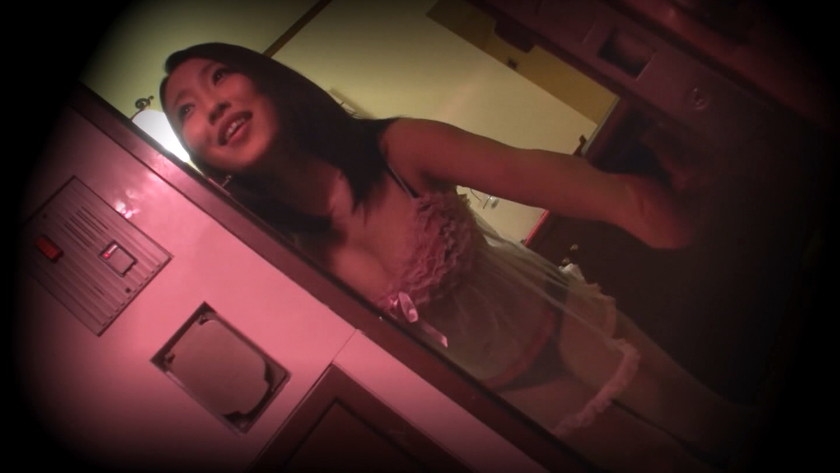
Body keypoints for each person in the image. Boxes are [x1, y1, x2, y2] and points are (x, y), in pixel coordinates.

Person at [159, 42, 757, 473]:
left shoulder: (397, 149)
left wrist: (640, 207)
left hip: (567, 325)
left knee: (711, 424)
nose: (211, 106)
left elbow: (533, 172)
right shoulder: (287, 261)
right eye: (185, 110)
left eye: (219, 77)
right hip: (510, 405)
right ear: (197, 156)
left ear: (266, 80)